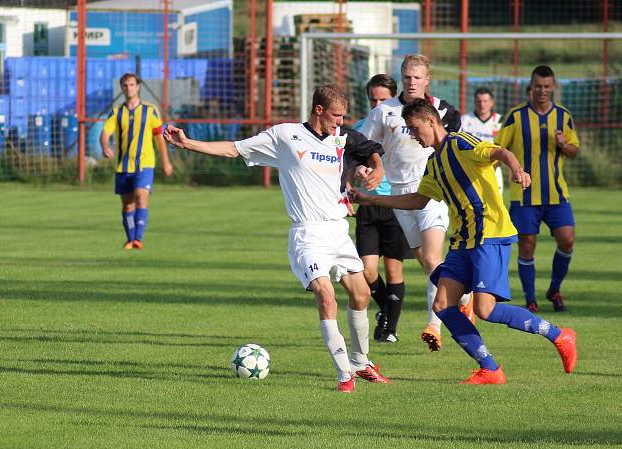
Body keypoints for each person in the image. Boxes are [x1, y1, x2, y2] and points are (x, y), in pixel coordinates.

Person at [164, 84, 392, 393]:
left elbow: (372, 149)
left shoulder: (344, 136)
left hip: (338, 230)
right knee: (326, 296)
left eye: (343, 117)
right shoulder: (285, 136)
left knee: (362, 294)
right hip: (308, 234)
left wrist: (376, 169)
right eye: (336, 116)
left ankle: (360, 362)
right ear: (319, 110)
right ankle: (344, 377)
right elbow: (234, 148)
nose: (341, 122)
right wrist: (189, 144)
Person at [350, 98, 578, 384]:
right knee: (443, 305)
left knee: (485, 310)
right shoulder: (434, 163)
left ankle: (560, 335)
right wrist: (371, 199)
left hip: (489, 235)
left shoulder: (461, 143)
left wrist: (516, 169)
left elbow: (500, 151)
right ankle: (491, 369)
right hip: (463, 241)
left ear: (431, 121)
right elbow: (419, 200)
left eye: (414, 128)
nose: (412, 135)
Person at [359, 54, 472, 353]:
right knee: (427, 264)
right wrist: (366, 166)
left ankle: (434, 325)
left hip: (433, 191)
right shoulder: (385, 111)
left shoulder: (444, 111)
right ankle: (463, 297)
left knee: (434, 259)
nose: (411, 82)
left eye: (417, 77)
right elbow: (362, 146)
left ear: (427, 81)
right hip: (400, 196)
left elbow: (456, 150)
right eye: (407, 76)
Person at [495, 66, 580, 313]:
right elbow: (499, 149)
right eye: (538, 86)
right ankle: (530, 299)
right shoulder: (515, 116)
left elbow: (575, 151)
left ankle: (554, 289)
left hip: (556, 194)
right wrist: (512, 168)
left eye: (547, 86)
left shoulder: (563, 116)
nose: (542, 91)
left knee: (567, 240)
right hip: (524, 195)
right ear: (530, 87)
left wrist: (564, 144)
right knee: (527, 245)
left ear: (553, 87)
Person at [352, 74, 414, 343]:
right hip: (367, 204)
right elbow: (346, 164)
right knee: (367, 271)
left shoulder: (403, 125)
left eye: (382, 99)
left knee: (393, 271)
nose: (377, 104)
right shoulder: (359, 128)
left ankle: (390, 328)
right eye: (372, 99)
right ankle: (386, 311)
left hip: (396, 204)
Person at [100, 73, 173, 250]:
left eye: (132, 84)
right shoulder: (117, 112)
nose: (129, 88)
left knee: (141, 197)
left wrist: (165, 161)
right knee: (127, 204)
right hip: (123, 165)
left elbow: (159, 137)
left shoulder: (150, 110)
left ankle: (138, 238)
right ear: (122, 88)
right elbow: (105, 133)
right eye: (125, 85)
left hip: (145, 163)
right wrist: (104, 146)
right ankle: (131, 239)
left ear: (138, 87)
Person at [460, 87, 504, 194]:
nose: (482, 104)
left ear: (492, 103)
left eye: (485, 101)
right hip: (470, 169)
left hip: (493, 169)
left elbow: (505, 147)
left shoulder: (500, 121)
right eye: (479, 101)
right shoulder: (465, 120)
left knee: (496, 205)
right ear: (474, 102)